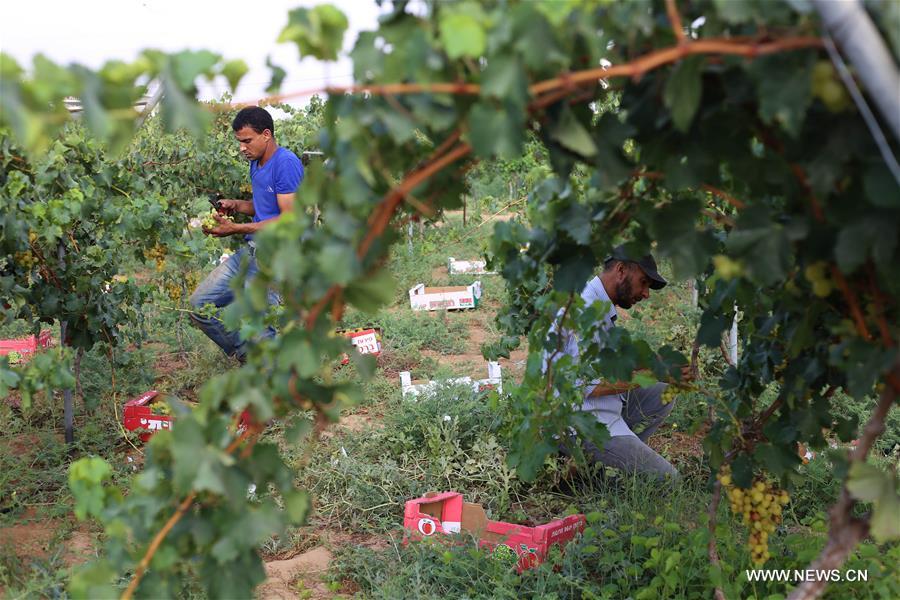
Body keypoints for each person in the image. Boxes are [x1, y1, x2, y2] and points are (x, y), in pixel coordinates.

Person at [548, 245, 689, 480]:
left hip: (597, 410)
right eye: (643, 282)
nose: (646, 293)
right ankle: (598, 470)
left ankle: (609, 463)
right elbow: (588, 385)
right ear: (621, 270)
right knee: (669, 481)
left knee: (662, 394)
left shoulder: (597, 303)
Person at [189, 106, 304, 363]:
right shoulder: (256, 162)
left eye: (246, 141)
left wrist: (236, 228)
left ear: (266, 134)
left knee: (265, 328)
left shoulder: (285, 163)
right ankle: (246, 356)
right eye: (239, 141)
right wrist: (236, 205)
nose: (242, 147)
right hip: (252, 252)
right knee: (200, 306)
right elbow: (263, 206)